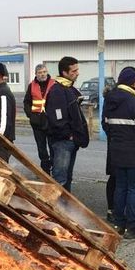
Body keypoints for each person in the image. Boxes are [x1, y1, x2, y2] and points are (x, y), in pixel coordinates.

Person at [102, 68, 135, 239]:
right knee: (133, 190)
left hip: (117, 152)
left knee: (120, 188)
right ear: (133, 82)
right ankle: (132, 227)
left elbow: (106, 126)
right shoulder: (134, 102)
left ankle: (119, 224)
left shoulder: (110, 100)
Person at [45, 56, 89, 192]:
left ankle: (65, 208)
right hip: (62, 142)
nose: (77, 73)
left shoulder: (69, 89)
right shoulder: (58, 90)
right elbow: (57, 119)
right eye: (74, 71)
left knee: (67, 178)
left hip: (70, 141)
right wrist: (69, 135)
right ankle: (56, 210)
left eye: (77, 70)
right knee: (60, 180)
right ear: (64, 73)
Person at [24, 63, 55, 173]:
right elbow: (26, 102)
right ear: (36, 74)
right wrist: (30, 115)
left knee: (53, 146)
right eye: (40, 73)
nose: (42, 74)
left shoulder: (54, 84)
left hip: (51, 121)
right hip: (37, 121)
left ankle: (54, 167)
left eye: (44, 72)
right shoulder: (31, 85)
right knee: (41, 148)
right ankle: (45, 170)